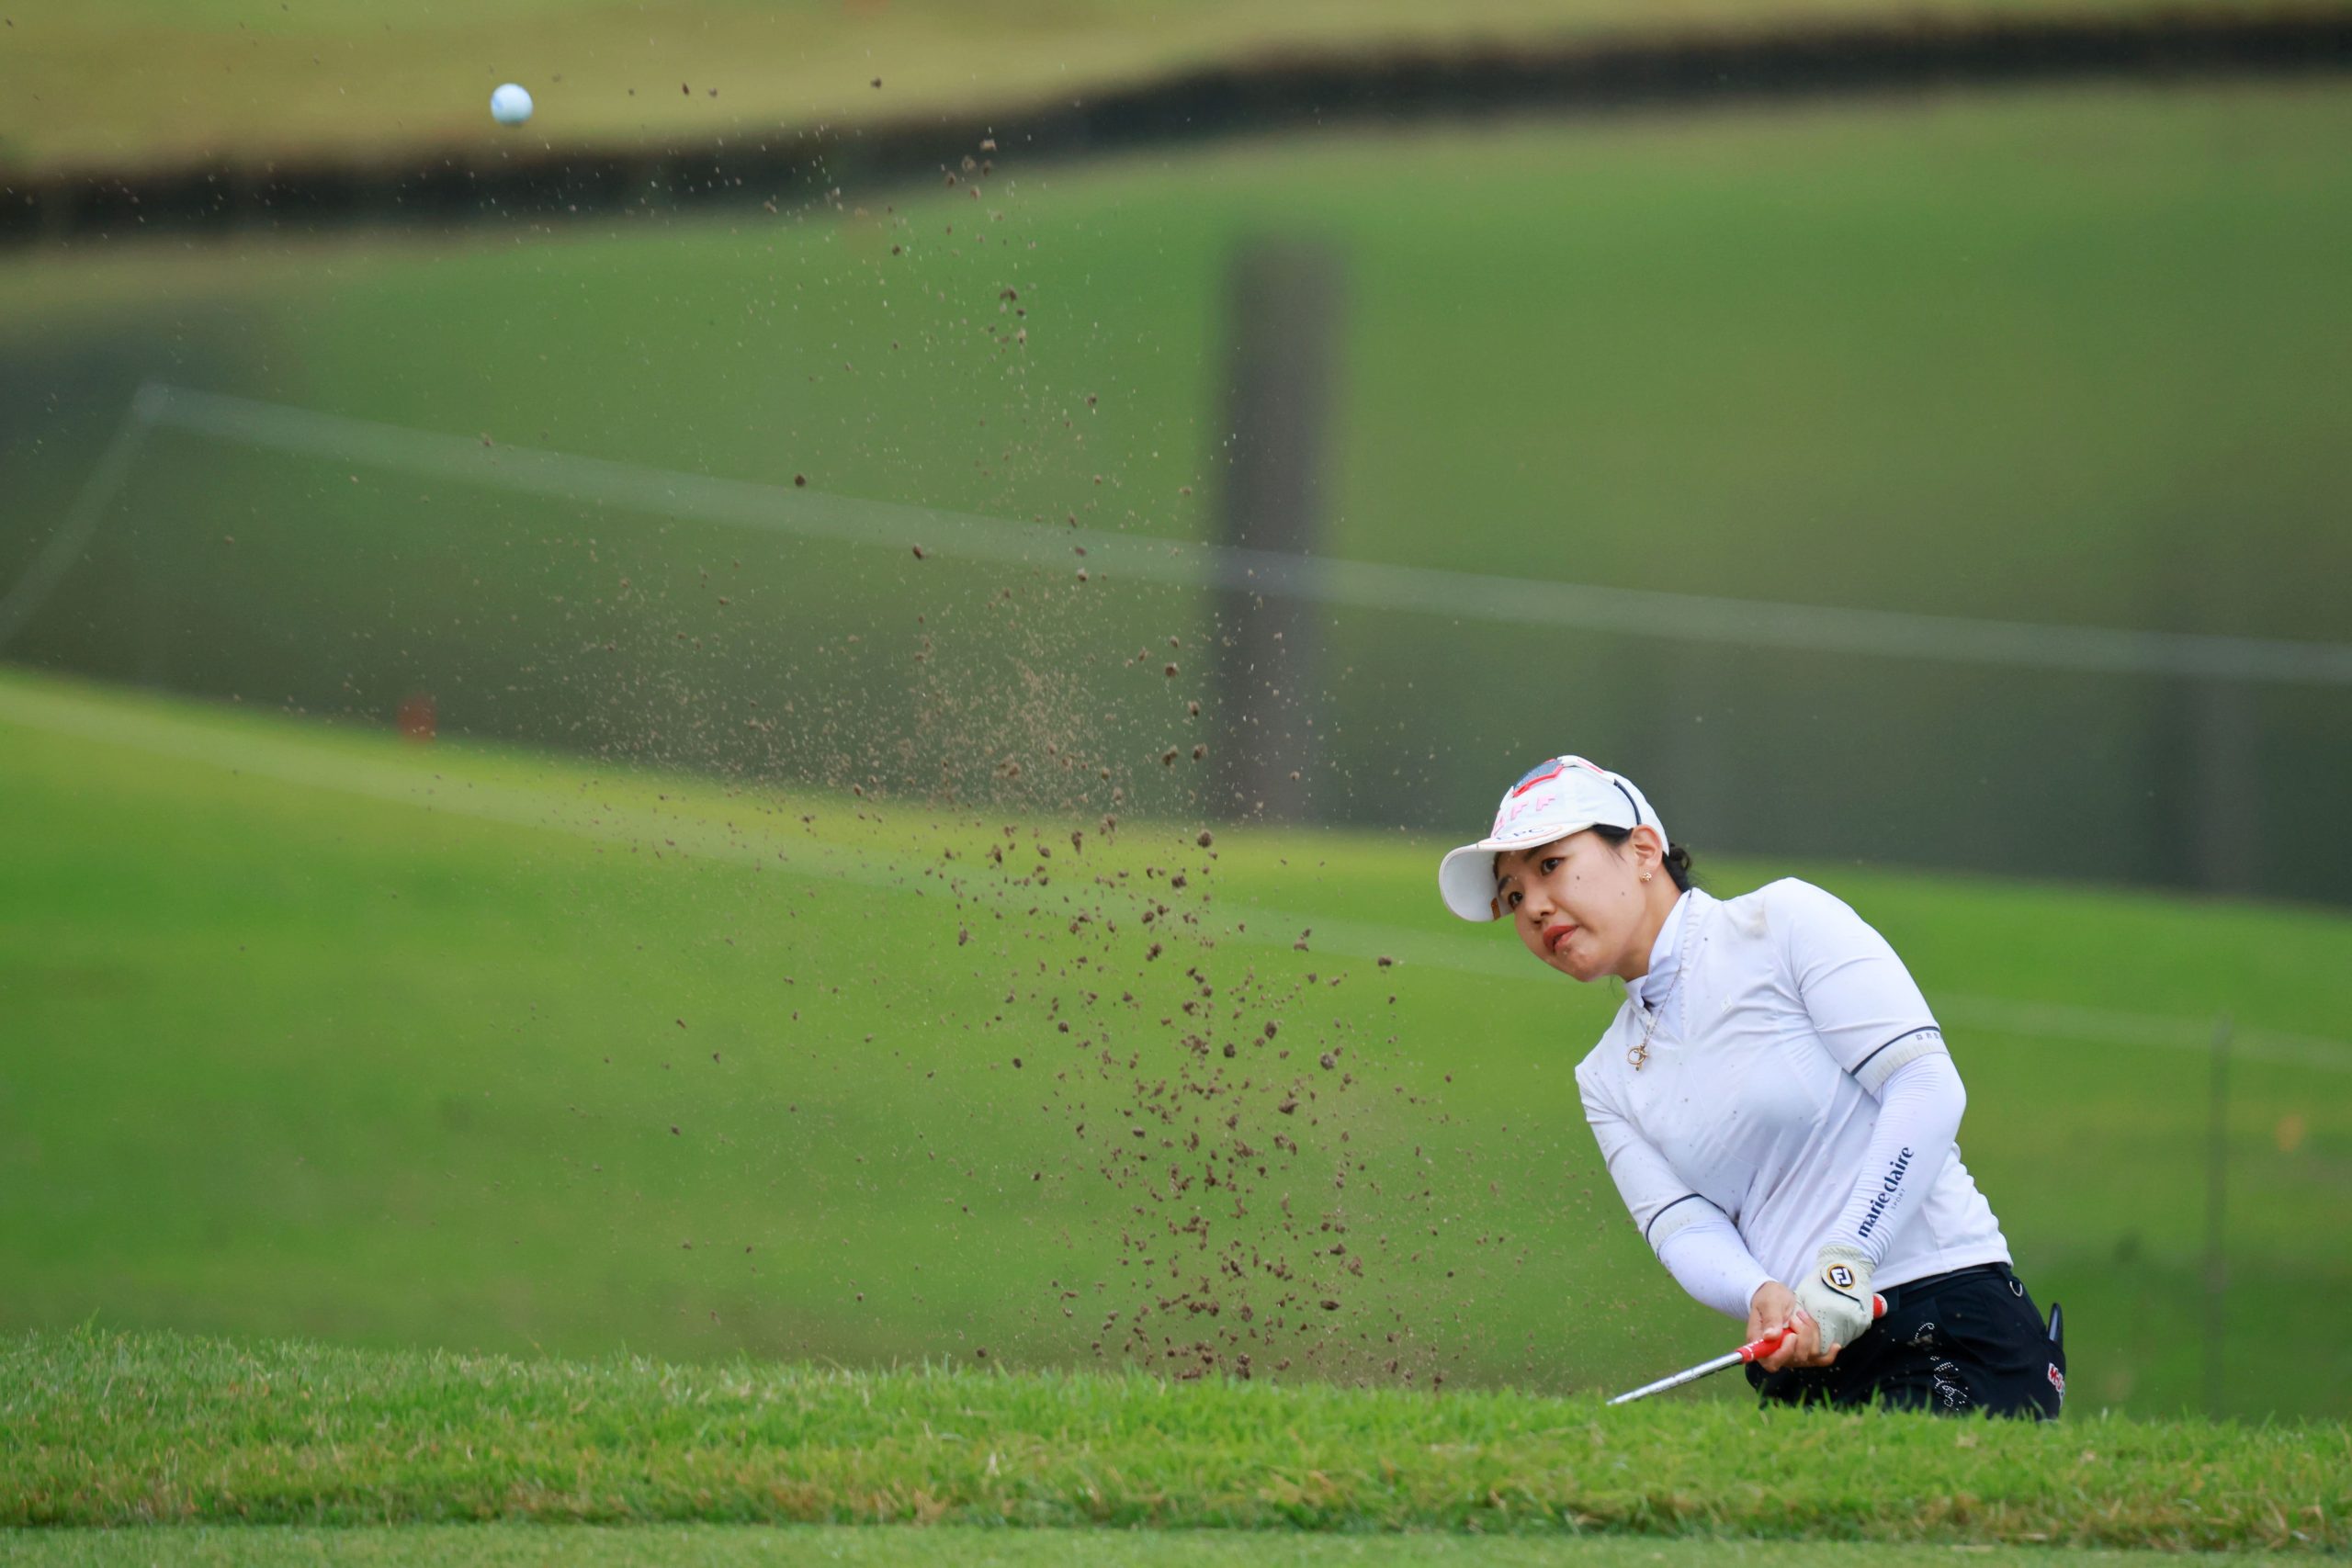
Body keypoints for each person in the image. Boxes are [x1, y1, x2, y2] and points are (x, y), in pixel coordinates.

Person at [1436, 754, 2064, 1417]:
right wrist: (1759, 1293)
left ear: (1643, 850)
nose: (1533, 907)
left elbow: (1925, 1082)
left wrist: (1848, 1261)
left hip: (1943, 1313)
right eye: (1513, 895)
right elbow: (1683, 1226)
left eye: (1551, 865)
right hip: (1803, 1354)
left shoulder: (1781, 922)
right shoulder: (1604, 1075)